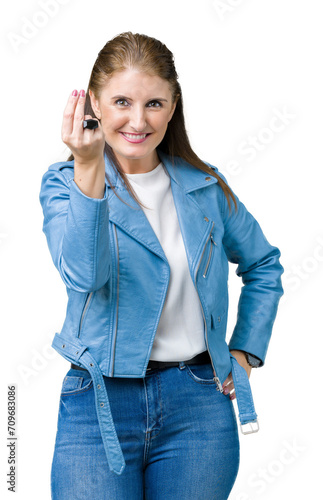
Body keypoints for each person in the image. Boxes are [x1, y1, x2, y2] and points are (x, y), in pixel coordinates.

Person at [39, 31, 284, 500]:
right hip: (99, 402)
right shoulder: (63, 184)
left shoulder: (205, 186)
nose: (137, 119)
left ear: (173, 108)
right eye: (121, 101)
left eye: (154, 103)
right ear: (94, 103)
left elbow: (264, 265)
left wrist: (245, 352)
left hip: (197, 405)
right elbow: (84, 275)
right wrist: (87, 166)